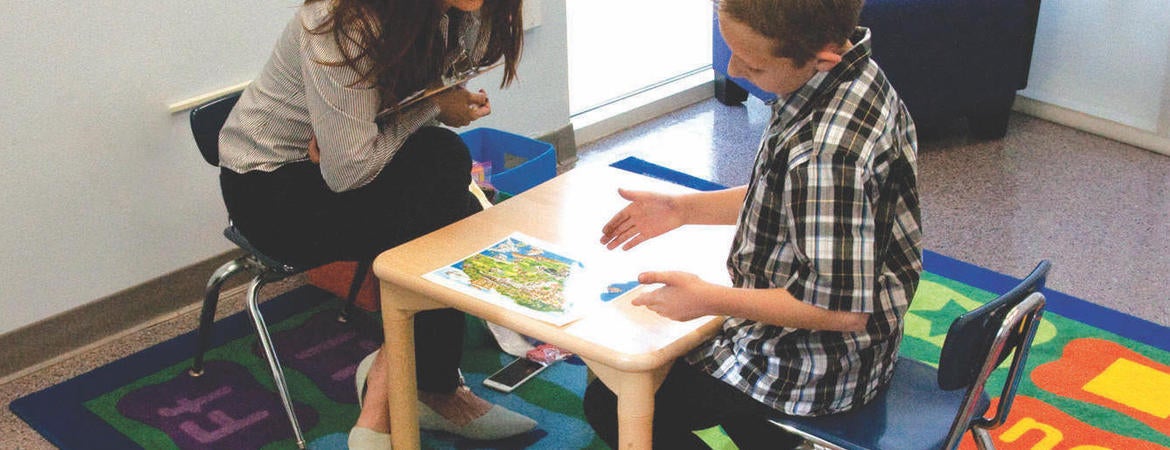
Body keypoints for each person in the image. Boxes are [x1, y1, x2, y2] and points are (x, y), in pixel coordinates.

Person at [582, 0, 923, 448]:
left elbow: (841, 310)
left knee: (612, 400)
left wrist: (710, 299)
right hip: (846, 351)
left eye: (754, 65)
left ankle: (766, 427)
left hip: (811, 369)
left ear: (821, 58)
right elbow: (786, 198)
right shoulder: (849, 76)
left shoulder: (828, 155)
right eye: (731, 49)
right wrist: (682, 209)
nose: (734, 68)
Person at [215, 0, 535, 448]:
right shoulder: (340, 20)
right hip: (271, 187)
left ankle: (402, 388)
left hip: (347, 159)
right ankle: (413, 395)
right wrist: (433, 108)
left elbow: (368, 141)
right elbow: (347, 171)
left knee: (442, 182)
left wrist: (414, 111)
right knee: (443, 188)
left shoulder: (467, 9)